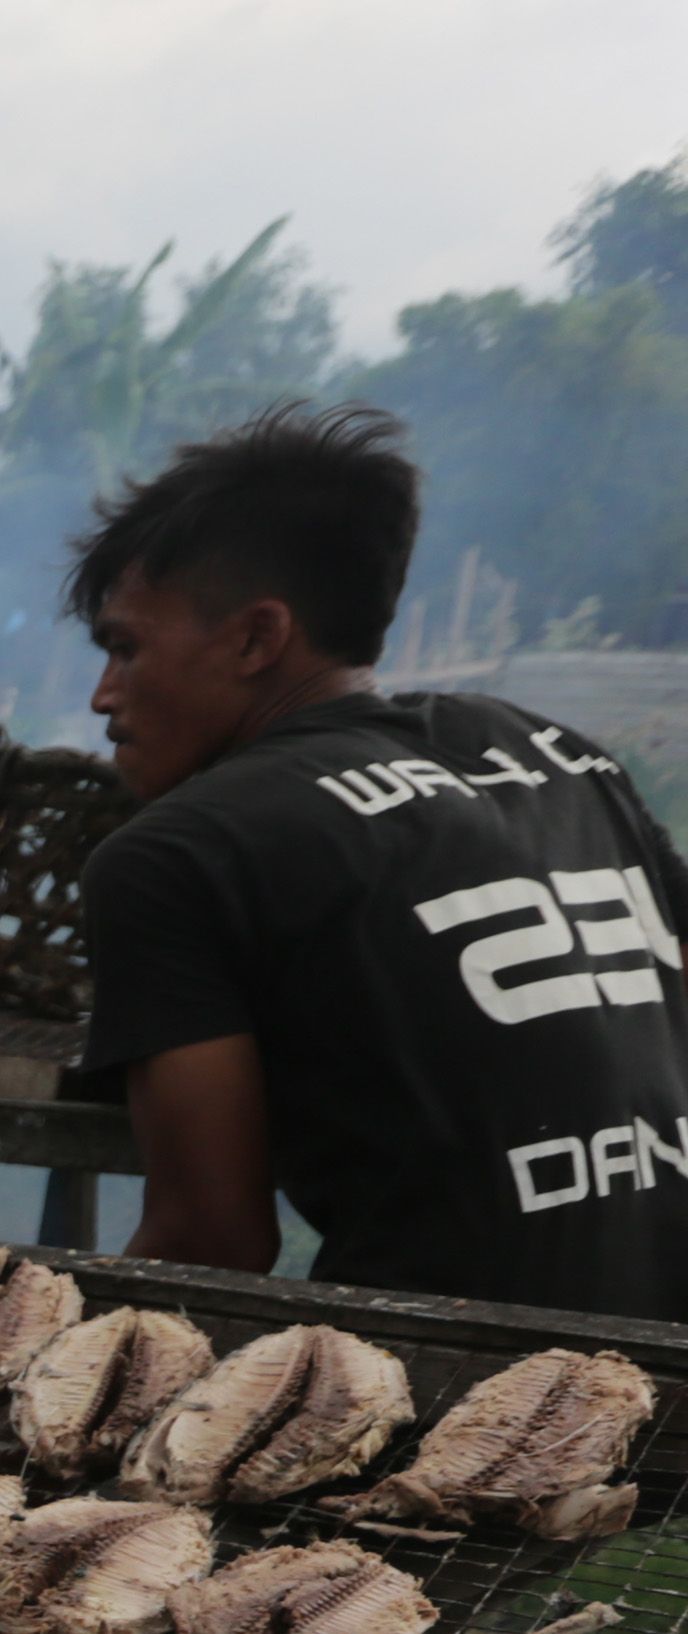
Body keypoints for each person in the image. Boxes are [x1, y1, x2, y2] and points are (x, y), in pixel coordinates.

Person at [70, 403, 688, 1318]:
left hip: (465, 1394)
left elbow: (212, 1243)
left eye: (126, 647)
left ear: (256, 636)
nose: (102, 696)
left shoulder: (175, 854)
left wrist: (31, 1368)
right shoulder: (560, 755)